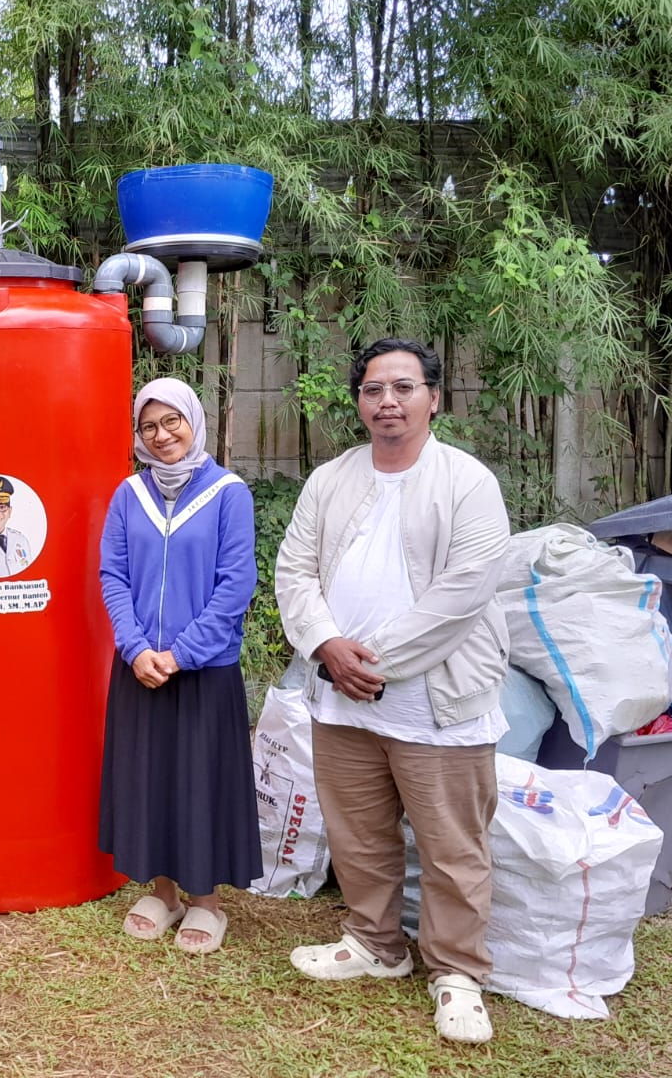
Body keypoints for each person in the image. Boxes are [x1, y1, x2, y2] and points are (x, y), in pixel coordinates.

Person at [274, 338, 511, 1044]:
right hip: (341, 697)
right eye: (374, 389)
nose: (388, 402)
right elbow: (295, 572)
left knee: (451, 847)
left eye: (403, 388)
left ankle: (458, 974)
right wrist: (325, 646)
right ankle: (375, 944)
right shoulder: (331, 479)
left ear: (433, 398)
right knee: (360, 835)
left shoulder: (468, 483)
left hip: (436, 701)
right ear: (358, 402)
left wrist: (371, 662)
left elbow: (464, 593)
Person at [97, 378, 261, 955]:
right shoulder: (129, 495)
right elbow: (112, 576)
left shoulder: (228, 494)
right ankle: (164, 893)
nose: (161, 435)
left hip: (205, 669)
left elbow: (236, 584)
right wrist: (136, 648)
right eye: (149, 426)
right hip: (139, 665)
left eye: (172, 422)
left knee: (200, 782)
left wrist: (182, 653)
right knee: (149, 779)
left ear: (194, 422)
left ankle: (206, 902)